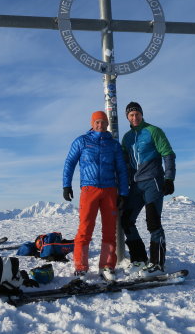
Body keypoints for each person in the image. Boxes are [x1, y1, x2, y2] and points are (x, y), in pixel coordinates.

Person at [62, 111, 129, 281]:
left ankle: (107, 265)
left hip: (109, 190)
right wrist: (66, 185)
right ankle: (81, 267)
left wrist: (123, 193)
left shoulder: (113, 145)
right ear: (92, 124)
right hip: (89, 189)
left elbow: (121, 169)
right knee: (85, 228)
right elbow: (70, 162)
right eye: (97, 122)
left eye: (103, 122)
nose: (100, 125)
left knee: (109, 230)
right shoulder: (82, 141)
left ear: (107, 124)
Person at [121, 101, 176, 277]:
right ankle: (140, 259)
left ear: (142, 114)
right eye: (131, 115)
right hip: (135, 185)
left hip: (153, 182)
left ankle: (157, 264)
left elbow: (168, 154)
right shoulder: (127, 138)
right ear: (127, 117)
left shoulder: (153, 131)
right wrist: (123, 187)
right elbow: (124, 163)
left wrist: (169, 178)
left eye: (137, 114)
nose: (134, 117)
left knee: (153, 222)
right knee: (126, 220)